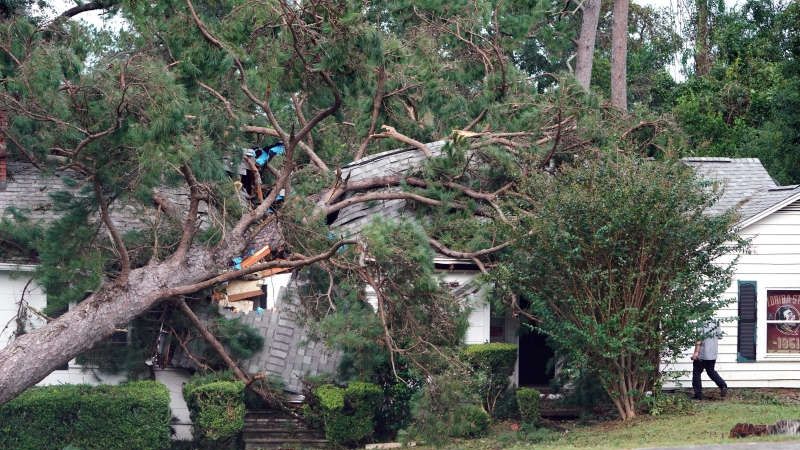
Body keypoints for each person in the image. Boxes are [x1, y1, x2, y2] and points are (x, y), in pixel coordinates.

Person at [692, 320, 728, 400]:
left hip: (702, 354)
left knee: (696, 373)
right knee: (711, 371)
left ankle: (698, 395)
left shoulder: (701, 323)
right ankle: (723, 386)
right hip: (712, 354)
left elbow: (699, 339)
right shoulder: (716, 322)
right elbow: (720, 336)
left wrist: (696, 352)